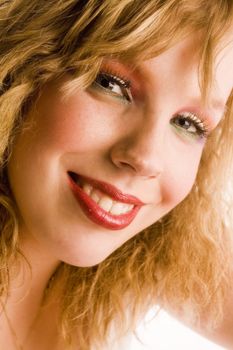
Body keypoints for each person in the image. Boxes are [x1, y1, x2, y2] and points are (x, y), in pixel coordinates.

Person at [0, 0, 233, 349]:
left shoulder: (127, 270)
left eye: (187, 123)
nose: (147, 158)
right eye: (110, 85)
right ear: (21, 67)